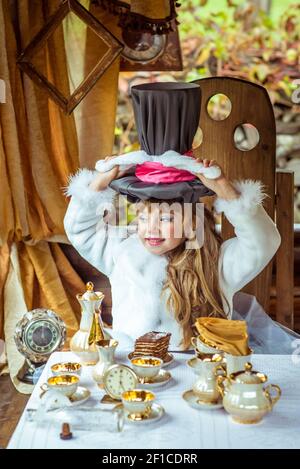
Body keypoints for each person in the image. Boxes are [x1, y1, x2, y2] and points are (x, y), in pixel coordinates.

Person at [63, 82, 298, 353]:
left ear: (191, 222)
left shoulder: (218, 263)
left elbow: (264, 241)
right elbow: (79, 229)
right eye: (143, 217)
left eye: (166, 219)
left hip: (202, 371)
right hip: (136, 369)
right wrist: (99, 183)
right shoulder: (121, 252)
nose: (151, 228)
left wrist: (224, 188)